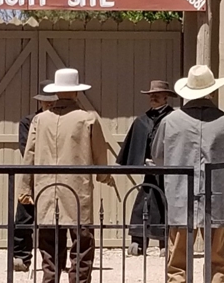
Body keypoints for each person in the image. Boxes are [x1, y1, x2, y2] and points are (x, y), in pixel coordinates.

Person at [152, 65, 224, 283]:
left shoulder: (170, 121)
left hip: (180, 196)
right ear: (211, 91)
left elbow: (158, 157)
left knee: (176, 262)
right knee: (217, 260)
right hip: (218, 196)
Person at [17, 68, 115, 283]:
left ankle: (50, 279)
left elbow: (29, 155)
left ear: (56, 92)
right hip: (77, 188)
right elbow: (100, 153)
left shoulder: (39, 120)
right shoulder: (87, 119)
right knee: (83, 243)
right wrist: (105, 175)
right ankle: (79, 280)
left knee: (49, 244)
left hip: (46, 188)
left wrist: (25, 187)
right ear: (77, 92)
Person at [116, 80, 177, 257]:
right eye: (151, 94)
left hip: (169, 173)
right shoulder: (142, 120)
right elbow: (135, 145)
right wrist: (142, 160)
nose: (153, 97)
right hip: (149, 173)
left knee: (165, 204)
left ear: (166, 97)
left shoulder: (174, 120)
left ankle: (165, 242)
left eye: (157, 94)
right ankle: (138, 239)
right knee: (144, 202)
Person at [13, 80, 57, 272]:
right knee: (24, 215)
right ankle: (21, 256)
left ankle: (56, 257)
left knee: (57, 217)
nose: (48, 105)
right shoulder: (28, 121)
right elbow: (25, 149)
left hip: (57, 176)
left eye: (52, 101)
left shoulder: (61, 120)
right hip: (33, 174)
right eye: (45, 101)